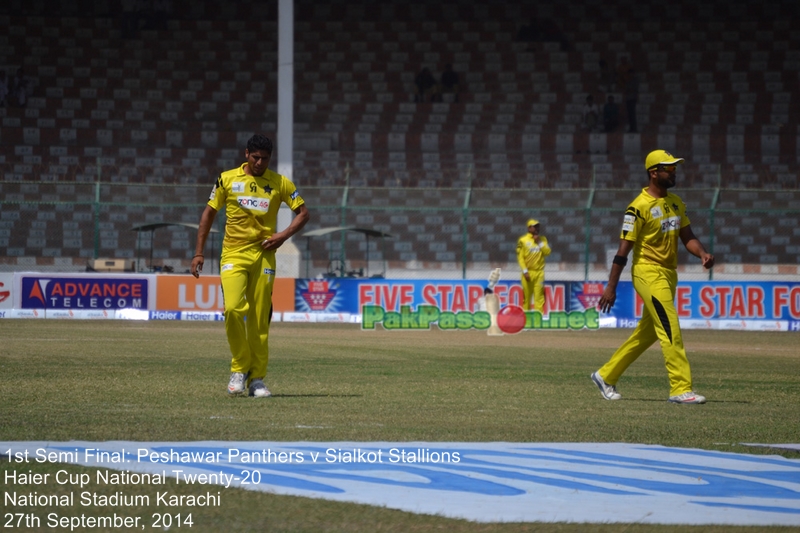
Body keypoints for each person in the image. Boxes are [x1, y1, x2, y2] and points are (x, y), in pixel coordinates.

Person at [591, 149, 715, 404]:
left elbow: (687, 237)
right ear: (653, 173)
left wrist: (702, 253)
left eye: (674, 168)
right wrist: (610, 287)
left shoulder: (676, 203)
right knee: (670, 327)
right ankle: (681, 388)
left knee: (647, 334)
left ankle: (606, 375)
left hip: (669, 275)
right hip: (647, 272)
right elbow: (622, 251)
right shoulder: (637, 208)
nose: (674, 172)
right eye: (668, 168)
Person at [191, 134, 310, 397]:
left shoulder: (279, 182)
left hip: (264, 255)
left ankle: (257, 379)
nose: (260, 163)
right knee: (233, 308)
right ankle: (239, 368)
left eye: (265, 159)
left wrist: (282, 236)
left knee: (259, 318)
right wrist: (199, 253)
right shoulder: (226, 179)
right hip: (233, 253)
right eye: (255, 157)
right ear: (246, 154)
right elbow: (209, 213)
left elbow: (303, 213)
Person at [516, 219, 551, 313]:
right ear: (529, 228)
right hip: (528, 273)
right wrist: (525, 271)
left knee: (539, 298)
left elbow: (547, 252)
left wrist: (539, 241)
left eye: (538, 226)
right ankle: (526, 322)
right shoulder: (523, 240)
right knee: (526, 298)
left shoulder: (543, 239)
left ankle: (538, 322)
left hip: (539, 273)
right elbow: (520, 258)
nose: (537, 228)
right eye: (534, 226)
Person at [624, 68, 639, 133]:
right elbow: (626, 90)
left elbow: (634, 89)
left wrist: (629, 90)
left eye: (631, 73)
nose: (630, 75)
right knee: (629, 114)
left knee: (632, 114)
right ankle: (631, 128)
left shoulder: (635, 80)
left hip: (633, 98)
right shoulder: (628, 81)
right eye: (629, 73)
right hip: (628, 98)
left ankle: (634, 128)